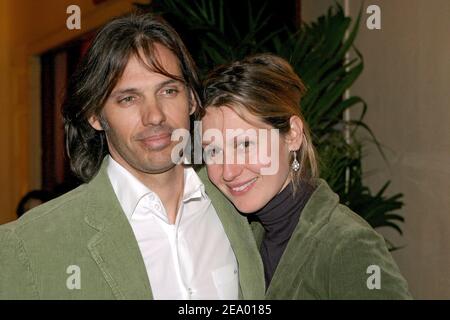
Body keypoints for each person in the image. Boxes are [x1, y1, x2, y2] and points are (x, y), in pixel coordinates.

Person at [0, 13, 265, 300]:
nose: (154, 116)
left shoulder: (242, 202)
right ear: (95, 115)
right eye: (128, 98)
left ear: (191, 99)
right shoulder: (30, 244)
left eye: (168, 90)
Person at [200, 53, 412, 299]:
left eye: (246, 144)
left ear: (292, 135)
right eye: (213, 150)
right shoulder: (245, 238)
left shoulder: (347, 244)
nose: (228, 171)